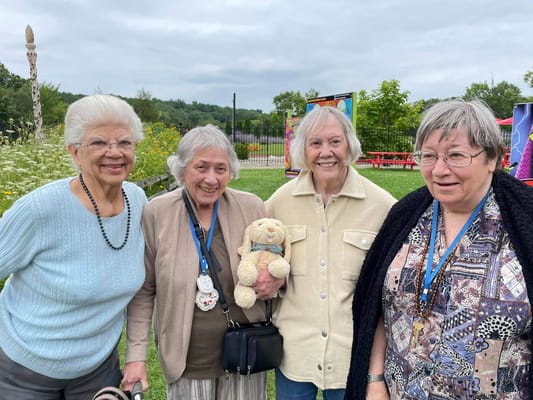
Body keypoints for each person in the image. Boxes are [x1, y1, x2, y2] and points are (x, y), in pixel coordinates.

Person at [344, 99, 533, 399]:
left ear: (493, 158)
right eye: (429, 156)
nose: (439, 170)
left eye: (456, 156)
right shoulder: (405, 215)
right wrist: (374, 378)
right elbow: (376, 306)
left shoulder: (525, 220)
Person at [0, 94, 147, 399]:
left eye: (124, 142)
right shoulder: (41, 209)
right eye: (99, 143)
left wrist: (136, 355)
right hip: (24, 372)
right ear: (75, 152)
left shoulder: (138, 201)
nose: (114, 153)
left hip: (98, 369)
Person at [122, 124, 270, 399]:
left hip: (245, 354)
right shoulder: (157, 213)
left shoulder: (252, 207)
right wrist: (135, 357)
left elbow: (274, 263)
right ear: (181, 170)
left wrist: (274, 281)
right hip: (187, 360)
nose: (211, 179)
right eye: (201, 167)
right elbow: (144, 291)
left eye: (221, 169)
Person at [265, 106, 396, 400]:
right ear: (303, 150)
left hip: (351, 355)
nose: (326, 152)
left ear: (349, 144)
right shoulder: (278, 203)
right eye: (316, 143)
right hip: (294, 352)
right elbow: (257, 252)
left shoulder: (382, 206)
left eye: (335, 141)